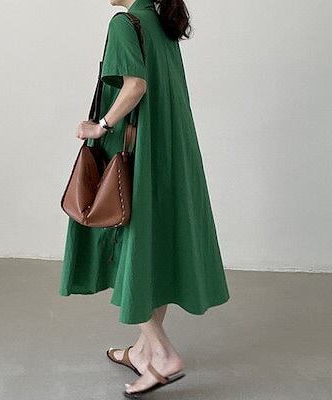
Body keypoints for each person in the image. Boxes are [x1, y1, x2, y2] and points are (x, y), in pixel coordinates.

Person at [59, 0, 230, 396]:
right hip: (169, 153)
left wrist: (101, 126)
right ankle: (141, 351)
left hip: (135, 158)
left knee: (125, 247)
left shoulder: (125, 23)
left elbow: (136, 86)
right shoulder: (160, 24)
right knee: (152, 248)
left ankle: (164, 354)